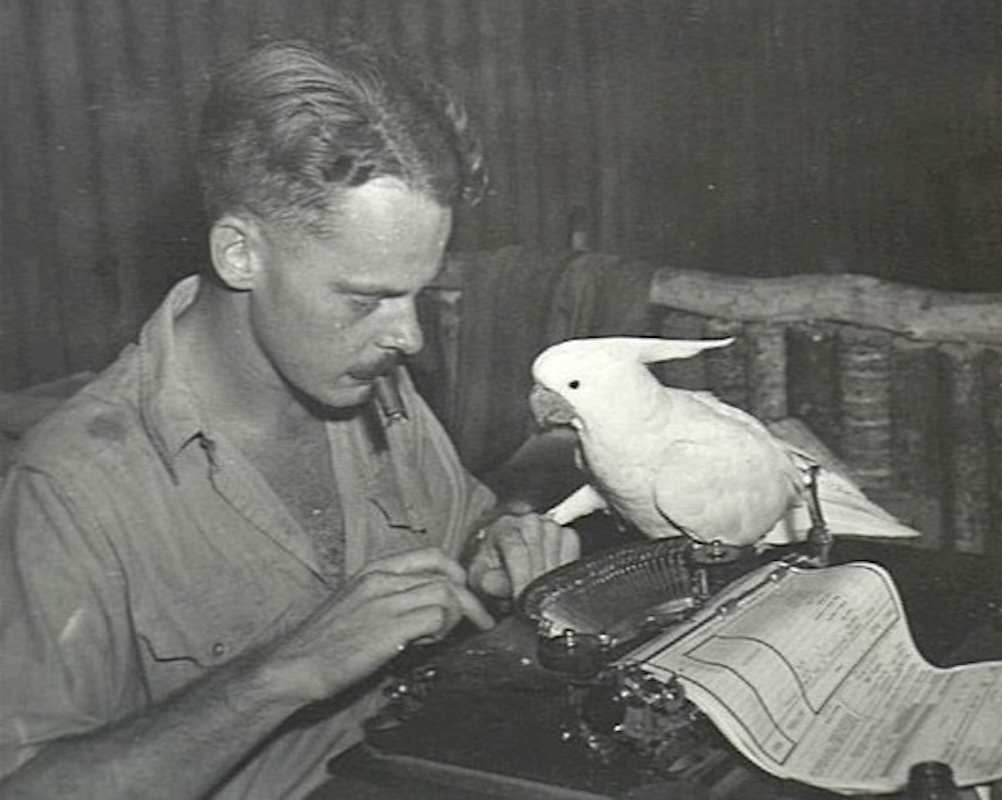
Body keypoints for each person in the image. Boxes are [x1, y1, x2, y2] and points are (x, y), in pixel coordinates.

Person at [0, 38, 579, 799]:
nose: (408, 336)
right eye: (366, 297)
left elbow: (461, 533)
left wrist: (493, 552)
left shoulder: (363, 375)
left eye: (419, 294)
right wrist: (283, 673)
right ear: (240, 254)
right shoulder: (73, 484)